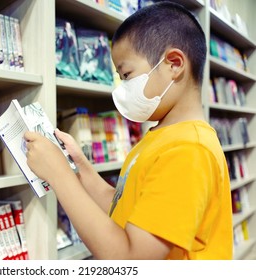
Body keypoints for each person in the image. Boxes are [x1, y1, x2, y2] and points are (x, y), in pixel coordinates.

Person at [24, 1, 233, 260]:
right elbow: (124, 205)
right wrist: (79, 168)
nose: (121, 88)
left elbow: (130, 259)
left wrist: (58, 176)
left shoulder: (188, 150)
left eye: (126, 75)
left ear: (174, 64)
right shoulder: (162, 137)